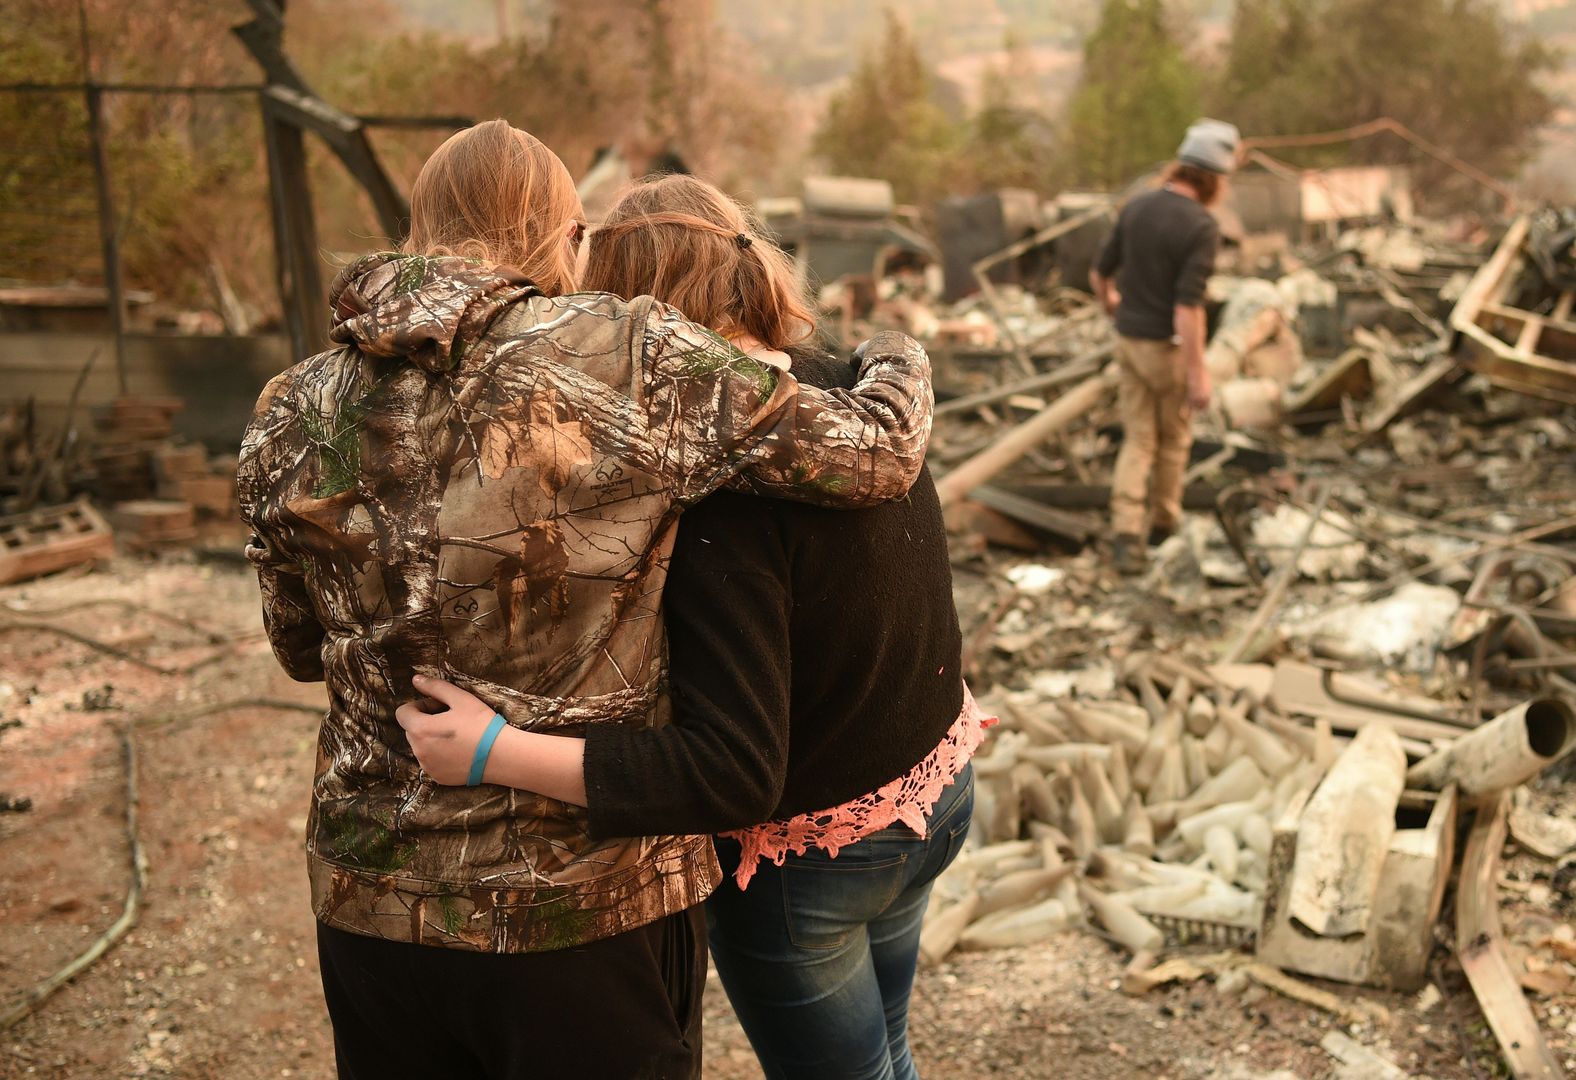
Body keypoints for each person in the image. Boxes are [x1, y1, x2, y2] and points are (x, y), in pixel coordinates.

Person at [235, 121, 934, 1080]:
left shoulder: (289, 406)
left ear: (415, 229)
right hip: (580, 910)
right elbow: (880, 451)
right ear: (564, 239)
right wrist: (896, 349)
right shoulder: (625, 356)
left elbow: (297, 643)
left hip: (373, 897)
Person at [398, 173, 988, 1080]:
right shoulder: (848, 403)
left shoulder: (718, 498)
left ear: (625, 313)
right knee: (889, 1052)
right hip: (937, 790)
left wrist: (492, 753)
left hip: (816, 857)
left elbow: (729, 771)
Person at [1090, 118, 1240, 574]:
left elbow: (1100, 274)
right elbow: (1188, 311)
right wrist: (1199, 375)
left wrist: (1113, 307)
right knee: (1173, 440)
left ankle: (1125, 536)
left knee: (1138, 439)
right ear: (1214, 179)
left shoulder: (1135, 208)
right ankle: (1162, 523)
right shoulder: (1201, 227)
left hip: (1129, 341)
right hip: (1165, 349)